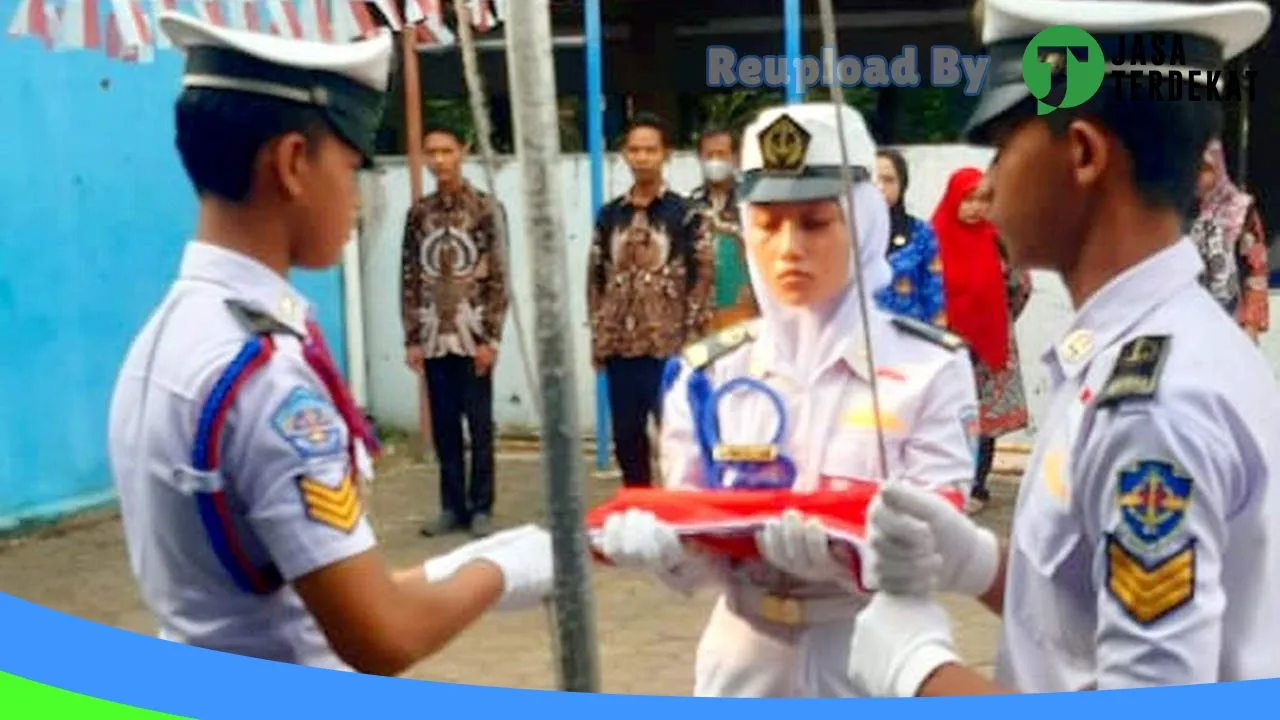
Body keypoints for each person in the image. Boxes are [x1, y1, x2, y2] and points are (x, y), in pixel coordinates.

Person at [848, 0, 1280, 698]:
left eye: (1002, 146)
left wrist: (920, 675)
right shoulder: (1160, 348)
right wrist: (979, 563)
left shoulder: (1152, 408)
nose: (985, 185)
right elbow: (1092, 606)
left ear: (1082, 153)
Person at [106, 12, 553, 676]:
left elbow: (305, 583)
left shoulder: (170, 334)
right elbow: (381, 637)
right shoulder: (266, 380)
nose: (356, 199)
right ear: (291, 164)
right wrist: (508, 566)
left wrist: (450, 569)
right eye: (349, 167)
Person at [593, 102, 980, 698]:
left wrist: (848, 555)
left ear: (866, 224)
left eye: (816, 222)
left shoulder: (929, 366)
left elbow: (942, 540)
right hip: (743, 657)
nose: (788, 248)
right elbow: (698, 541)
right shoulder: (710, 374)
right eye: (768, 224)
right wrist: (663, 549)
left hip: (873, 653)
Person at [587, 112, 712, 487]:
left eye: (650, 150)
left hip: (670, 349)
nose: (642, 157)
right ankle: (637, 508)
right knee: (627, 438)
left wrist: (695, 344)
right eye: (635, 149)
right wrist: (598, 337)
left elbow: (702, 280)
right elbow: (596, 277)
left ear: (666, 154)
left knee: (676, 437)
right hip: (621, 348)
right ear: (624, 154)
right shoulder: (610, 215)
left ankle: (679, 512)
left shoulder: (686, 214)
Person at [401, 125, 509, 538]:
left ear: (462, 151)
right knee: (444, 425)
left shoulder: (484, 208)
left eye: (447, 151)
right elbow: (409, 277)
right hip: (432, 335)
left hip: (472, 334)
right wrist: (412, 338)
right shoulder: (419, 214)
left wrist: (491, 338)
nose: (440, 160)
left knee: (478, 425)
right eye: (432, 152)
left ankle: (482, 506)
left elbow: (499, 277)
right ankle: (452, 506)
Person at [931, 167, 1030, 512]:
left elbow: (1021, 287)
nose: (975, 208)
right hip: (946, 346)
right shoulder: (933, 239)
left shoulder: (998, 241)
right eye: (968, 199)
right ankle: (946, 483)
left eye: (982, 200)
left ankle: (977, 484)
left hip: (990, 347)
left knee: (983, 421)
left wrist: (999, 322)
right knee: (947, 416)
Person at [1190, 137, 1270, 342]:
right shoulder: (1175, 210)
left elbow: (1256, 272)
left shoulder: (1240, 209)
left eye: (1205, 168)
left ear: (1218, 166)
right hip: (1187, 324)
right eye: (1194, 168)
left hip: (1232, 325)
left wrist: (1250, 326)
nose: (1197, 175)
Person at [688, 123, 758, 331]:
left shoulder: (751, 203)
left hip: (746, 315)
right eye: (709, 155)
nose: (715, 161)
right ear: (700, 158)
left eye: (721, 154)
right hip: (701, 319)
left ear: (735, 158)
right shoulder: (688, 207)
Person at [871, 148, 947, 328]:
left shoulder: (921, 234)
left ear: (902, 185)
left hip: (910, 344)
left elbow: (934, 296)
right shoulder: (844, 233)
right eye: (872, 180)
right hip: (859, 346)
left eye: (889, 180)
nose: (880, 187)